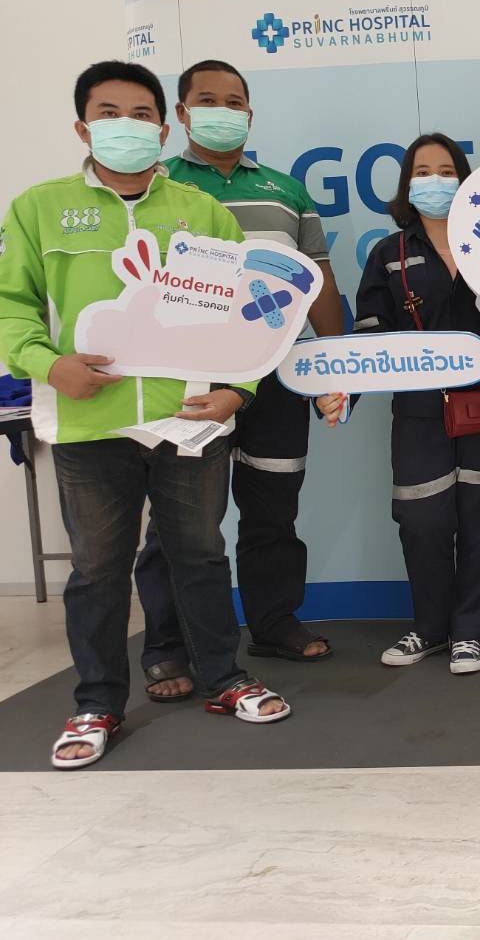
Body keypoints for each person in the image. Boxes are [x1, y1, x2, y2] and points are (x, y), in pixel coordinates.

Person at [0, 60, 290, 770]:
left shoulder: (202, 212)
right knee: (97, 570)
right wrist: (48, 365)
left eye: (140, 115)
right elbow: (11, 309)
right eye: (109, 113)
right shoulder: (38, 208)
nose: (125, 126)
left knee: (200, 555)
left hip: (188, 420)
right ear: (83, 127)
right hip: (89, 424)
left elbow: (249, 316)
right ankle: (96, 702)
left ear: (163, 130)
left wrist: (238, 390)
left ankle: (224, 678)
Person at [131, 59, 345, 703]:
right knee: (177, 523)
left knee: (274, 507)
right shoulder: (157, 184)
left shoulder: (287, 191)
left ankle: (274, 624)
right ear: (181, 113)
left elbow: (318, 280)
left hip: (276, 376)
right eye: (207, 100)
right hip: (190, 379)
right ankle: (168, 647)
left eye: (234, 102)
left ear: (249, 113)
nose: (222, 112)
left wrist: (336, 361)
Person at [316, 134, 480, 675]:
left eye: (446, 171)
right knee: (422, 521)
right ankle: (430, 629)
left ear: (466, 179)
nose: (435, 181)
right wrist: (343, 390)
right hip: (419, 412)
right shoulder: (389, 254)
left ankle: (471, 633)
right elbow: (370, 339)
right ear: (407, 184)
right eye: (422, 172)